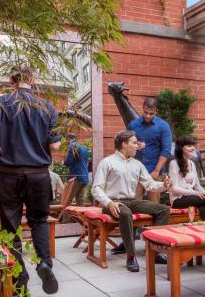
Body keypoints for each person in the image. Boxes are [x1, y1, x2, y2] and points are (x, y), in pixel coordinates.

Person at [0, 64, 60, 296]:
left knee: (10, 227)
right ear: (33, 79)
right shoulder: (47, 107)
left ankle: (19, 280)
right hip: (39, 175)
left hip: (9, 174)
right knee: (39, 220)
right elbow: (55, 145)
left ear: (11, 79)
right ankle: (44, 264)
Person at [91, 130, 172, 272]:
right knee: (125, 213)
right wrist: (109, 203)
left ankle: (155, 252)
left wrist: (164, 185)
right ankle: (130, 255)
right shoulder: (107, 162)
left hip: (132, 201)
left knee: (163, 210)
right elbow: (96, 188)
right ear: (124, 144)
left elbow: (149, 184)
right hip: (112, 203)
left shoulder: (137, 164)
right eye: (134, 143)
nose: (137, 146)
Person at [127, 97, 172, 202]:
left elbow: (166, 150)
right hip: (136, 171)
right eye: (145, 112)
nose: (147, 116)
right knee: (134, 204)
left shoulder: (163, 126)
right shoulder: (133, 125)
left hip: (154, 171)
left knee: (155, 206)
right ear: (142, 108)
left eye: (151, 113)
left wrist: (156, 171)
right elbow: (126, 145)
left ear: (156, 111)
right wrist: (134, 144)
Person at [168, 136, 205, 221]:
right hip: (177, 200)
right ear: (181, 148)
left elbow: (197, 186)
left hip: (190, 197)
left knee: (204, 206)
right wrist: (195, 193)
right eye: (189, 146)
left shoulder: (192, 163)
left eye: (193, 146)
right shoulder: (174, 163)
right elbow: (174, 189)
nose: (193, 148)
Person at [64, 133, 90, 205]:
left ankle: (66, 217)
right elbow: (86, 162)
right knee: (80, 202)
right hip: (85, 177)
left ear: (69, 139)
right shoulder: (84, 148)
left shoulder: (72, 145)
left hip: (75, 177)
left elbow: (67, 162)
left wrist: (64, 161)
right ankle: (79, 216)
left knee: (67, 200)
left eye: (67, 141)